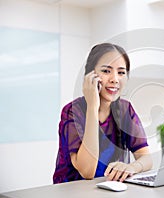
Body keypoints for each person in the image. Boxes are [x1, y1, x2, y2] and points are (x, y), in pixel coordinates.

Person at [53, 43, 153, 184]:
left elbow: (146, 158)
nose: (115, 79)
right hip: (72, 193)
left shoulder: (125, 109)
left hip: (110, 192)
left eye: (121, 72)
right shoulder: (72, 111)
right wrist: (93, 106)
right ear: (90, 75)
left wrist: (132, 167)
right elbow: (87, 171)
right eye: (106, 71)